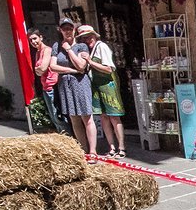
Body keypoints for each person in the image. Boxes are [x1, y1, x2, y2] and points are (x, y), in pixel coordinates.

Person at [49, 18, 98, 159]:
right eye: (64, 29)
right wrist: (71, 70)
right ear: (60, 30)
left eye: (70, 28)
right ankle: (83, 150)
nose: (67, 31)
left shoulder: (81, 46)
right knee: (74, 118)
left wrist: (69, 50)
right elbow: (53, 66)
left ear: (74, 29)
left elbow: (81, 66)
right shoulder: (56, 46)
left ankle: (93, 151)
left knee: (87, 117)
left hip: (80, 83)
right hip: (66, 84)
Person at [76, 24, 126, 157]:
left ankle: (121, 147)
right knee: (103, 116)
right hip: (97, 85)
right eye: (84, 38)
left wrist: (89, 62)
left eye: (89, 36)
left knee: (114, 116)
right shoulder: (90, 50)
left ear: (94, 35)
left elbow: (109, 69)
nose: (87, 40)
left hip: (108, 84)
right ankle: (111, 147)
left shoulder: (101, 46)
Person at [27, 27, 68, 134]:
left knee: (58, 116)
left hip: (53, 86)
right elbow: (37, 71)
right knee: (53, 117)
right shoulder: (37, 53)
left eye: (35, 38)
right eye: (30, 40)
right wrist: (38, 70)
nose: (33, 42)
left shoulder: (47, 50)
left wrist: (38, 70)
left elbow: (43, 68)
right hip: (45, 87)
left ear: (41, 37)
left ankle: (69, 138)